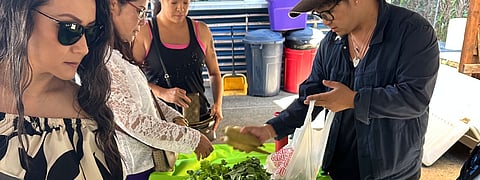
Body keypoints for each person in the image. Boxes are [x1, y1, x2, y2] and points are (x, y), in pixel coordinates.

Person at [241, 0, 440, 179]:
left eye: (327, 12)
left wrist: (354, 100)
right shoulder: (331, 43)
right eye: (319, 15)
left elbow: (414, 98)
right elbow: (312, 96)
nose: (325, 21)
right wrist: (270, 129)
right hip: (341, 164)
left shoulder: (413, 32)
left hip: (392, 168)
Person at [0, 0, 124, 179]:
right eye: (71, 28)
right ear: (20, 16)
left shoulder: (88, 117)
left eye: (90, 32)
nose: (84, 49)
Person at [106, 0, 214, 179]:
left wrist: (174, 117)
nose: (141, 21)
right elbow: (134, 121)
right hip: (131, 168)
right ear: (113, 5)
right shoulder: (106, 61)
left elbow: (143, 95)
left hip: (150, 161)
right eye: (139, 12)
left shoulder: (118, 54)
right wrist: (192, 139)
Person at [132, 0, 223, 140]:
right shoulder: (144, 31)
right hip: (159, 115)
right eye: (174, 3)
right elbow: (132, 79)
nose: (180, 8)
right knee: (167, 159)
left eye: (185, 3)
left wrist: (218, 103)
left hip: (195, 113)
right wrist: (163, 93)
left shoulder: (202, 31)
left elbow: (214, 73)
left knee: (199, 158)